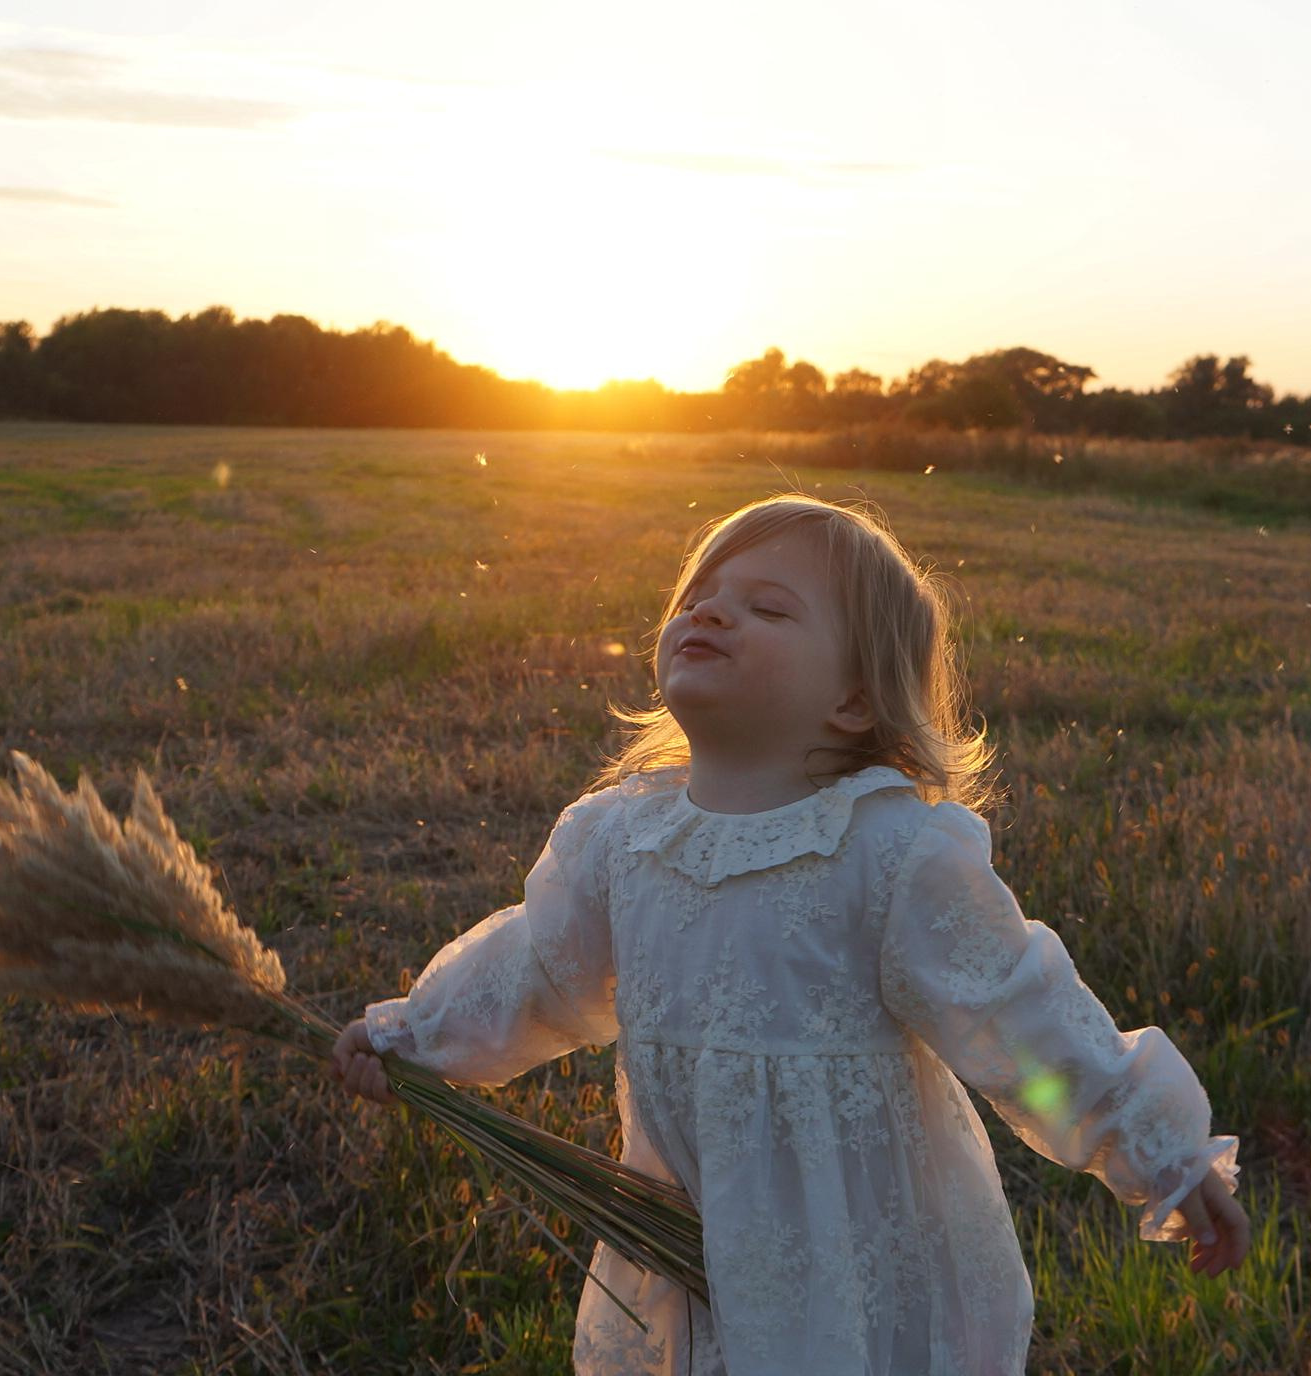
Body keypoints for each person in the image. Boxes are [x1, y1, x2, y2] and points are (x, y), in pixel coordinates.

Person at [330, 492, 1248, 1374]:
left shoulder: (889, 850)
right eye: (698, 597)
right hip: (688, 1227)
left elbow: (1019, 1014)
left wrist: (1160, 1155)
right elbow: (538, 974)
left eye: (767, 607)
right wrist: (414, 1037)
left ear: (854, 701)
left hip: (855, 1247)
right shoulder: (618, 838)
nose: (714, 613)